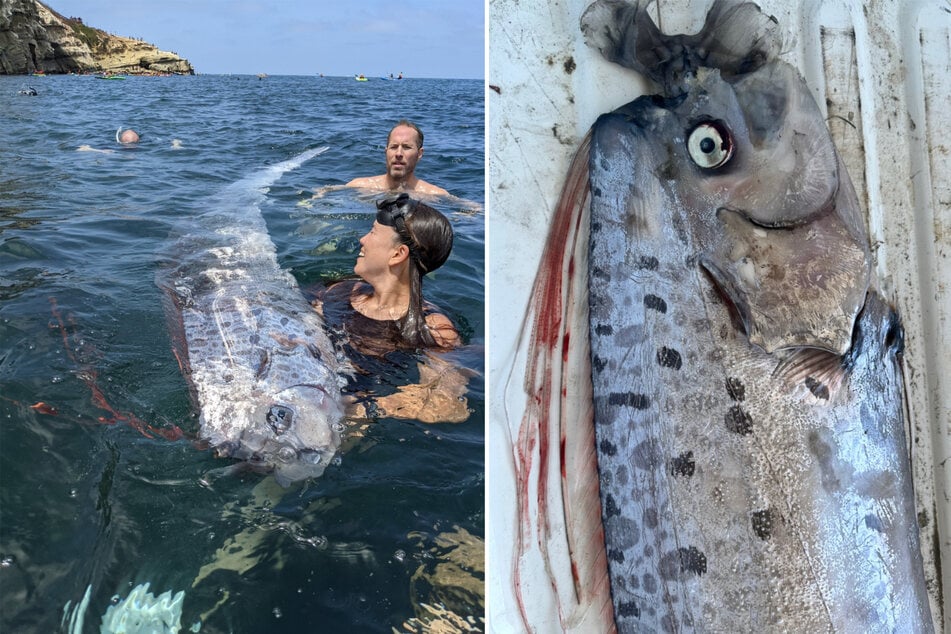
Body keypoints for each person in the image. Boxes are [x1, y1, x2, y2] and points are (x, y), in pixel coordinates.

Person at [313, 193, 468, 423]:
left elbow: (446, 406)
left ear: (398, 254)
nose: (362, 240)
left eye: (373, 232)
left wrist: (364, 408)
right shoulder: (341, 290)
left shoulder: (433, 328)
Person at [346, 120, 449, 196]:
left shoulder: (434, 195)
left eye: (406, 147)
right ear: (386, 152)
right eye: (394, 147)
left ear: (419, 154)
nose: (398, 153)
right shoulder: (359, 187)